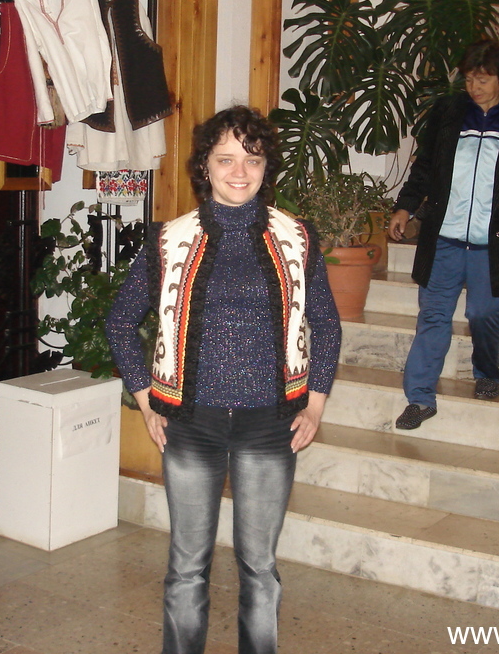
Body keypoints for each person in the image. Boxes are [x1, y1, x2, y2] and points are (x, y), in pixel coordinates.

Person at [105, 105, 341, 654]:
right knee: (187, 566)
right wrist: (146, 399)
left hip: (271, 425)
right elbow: (120, 322)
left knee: (259, 566)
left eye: (252, 159)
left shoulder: (297, 238)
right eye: (226, 159)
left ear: (265, 167)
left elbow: (326, 324)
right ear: (205, 166)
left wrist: (316, 405)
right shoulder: (168, 241)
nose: (240, 171)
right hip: (191, 425)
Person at [387, 39, 499, 430]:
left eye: (483, 80)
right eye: (469, 79)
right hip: (445, 239)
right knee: (433, 317)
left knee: (484, 313)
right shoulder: (449, 112)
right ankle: (420, 398)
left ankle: (486, 371)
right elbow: (425, 166)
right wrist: (405, 206)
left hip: (496, 242)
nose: (474, 87)